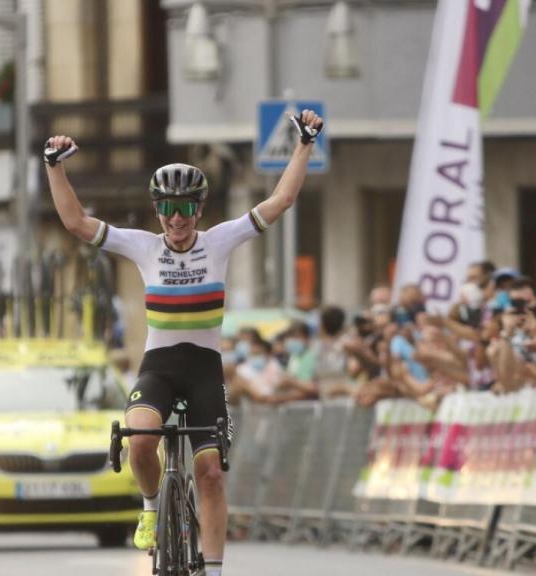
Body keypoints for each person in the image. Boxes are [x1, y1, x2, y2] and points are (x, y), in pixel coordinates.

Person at [44, 109, 324, 576]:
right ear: (157, 211)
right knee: (139, 442)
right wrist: (54, 166)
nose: (177, 218)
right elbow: (76, 222)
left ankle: (212, 570)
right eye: (168, 209)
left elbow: (282, 199)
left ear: (199, 209)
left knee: (211, 473)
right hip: (158, 366)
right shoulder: (142, 247)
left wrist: (305, 144)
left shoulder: (218, 242)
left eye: (186, 207)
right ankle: (152, 509)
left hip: (203, 372)